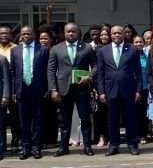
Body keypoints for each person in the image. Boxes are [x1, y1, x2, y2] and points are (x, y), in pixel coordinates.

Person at [47, 23, 97, 157]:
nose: (70, 34)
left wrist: (89, 76)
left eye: (73, 31)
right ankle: (63, 147)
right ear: (64, 33)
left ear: (78, 33)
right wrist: (53, 89)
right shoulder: (56, 49)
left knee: (85, 119)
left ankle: (87, 147)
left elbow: (96, 66)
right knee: (64, 120)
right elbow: (51, 70)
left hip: (82, 88)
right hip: (63, 89)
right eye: (68, 31)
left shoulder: (87, 47)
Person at [95, 25, 144, 156]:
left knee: (130, 119)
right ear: (111, 35)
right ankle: (113, 145)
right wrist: (101, 92)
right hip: (110, 90)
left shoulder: (132, 49)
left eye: (119, 33)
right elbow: (100, 73)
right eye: (114, 33)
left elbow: (138, 72)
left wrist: (138, 90)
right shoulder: (103, 51)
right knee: (112, 120)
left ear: (124, 35)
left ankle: (132, 145)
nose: (117, 35)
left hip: (129, 90)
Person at [10, 25, 49, 160]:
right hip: (21, 90)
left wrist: (47, 89)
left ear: (34, 35)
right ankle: (25, 148)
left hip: (38, 89)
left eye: (28, 34)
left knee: (38, 120)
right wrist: (13, 90)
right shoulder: (15, 50)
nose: (26, 36)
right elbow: (13, 72)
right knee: (23, 121)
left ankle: (36, 147)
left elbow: (47, 71)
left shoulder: (43, 50)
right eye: (23, 34)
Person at [0, 26, 20, 150]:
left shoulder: (17, 48)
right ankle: (1, 144)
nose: (4, 35)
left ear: (11, 35)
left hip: (13, 86)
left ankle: (15, 142)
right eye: (1, 33)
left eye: (6, 33)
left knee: (15, 118)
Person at [36, 30, 60, 148]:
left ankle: (51, 140)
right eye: (41, 39)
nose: (43, 41)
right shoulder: (37, 52)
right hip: (40, 87)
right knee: (41, 115)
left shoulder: (55, 51)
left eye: (45, 38)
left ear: (51, 39)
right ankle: (41, 140)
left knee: (52, 115)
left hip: (54, 86)